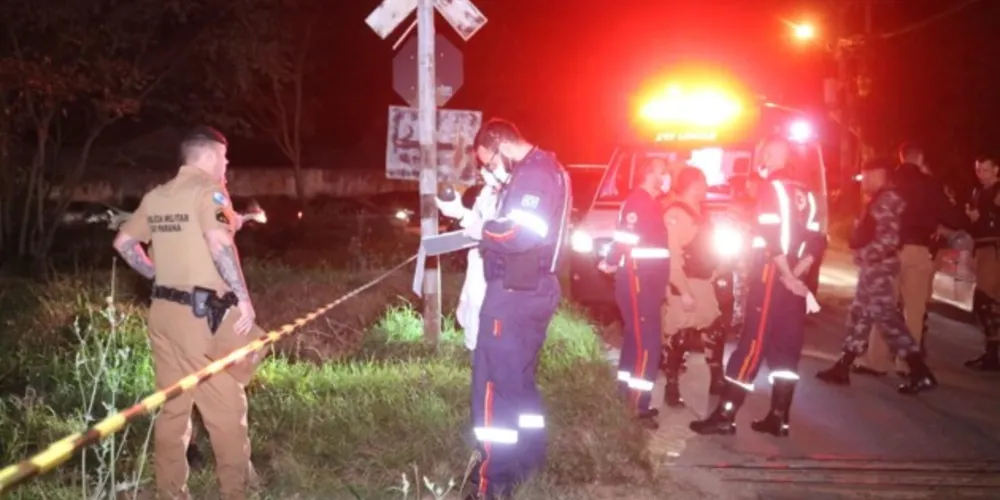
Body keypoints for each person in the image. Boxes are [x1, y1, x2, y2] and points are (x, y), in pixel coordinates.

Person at [112, 126, 264, 500]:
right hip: (203, 319)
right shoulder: (208, 191)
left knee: (174, 411)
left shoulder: (159, 195)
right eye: (225, 159)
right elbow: (217, 243)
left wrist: (157, 275)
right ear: (210, 155)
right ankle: (237, 492)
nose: (226, 166)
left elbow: (124, 242)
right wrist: (243, 298)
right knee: (227, 411)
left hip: (164, 314)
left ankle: (171, 492)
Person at [450, 119, 570, 500]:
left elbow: (521, 234)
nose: (488, 170)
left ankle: (492, 481)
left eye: (488, 162)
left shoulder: (534, 174)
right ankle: (526, 463)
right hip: (532, 290)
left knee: (493, 387)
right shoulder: (546, 168)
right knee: (519, 384)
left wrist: (476, 227)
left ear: (501, 145)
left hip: (514, 296)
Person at [689, 136, 825, 438]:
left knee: (753, 342)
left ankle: (725, 416)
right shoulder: (806, 192)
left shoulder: (771, 188)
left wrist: (787, 273)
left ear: (767, 156)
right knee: (786, 348)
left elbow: (769, 237)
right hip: (795, 282)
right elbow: (817, 239)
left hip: (772, 275)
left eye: (762, 153)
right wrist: (799, 273)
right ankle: (779, 417)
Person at [814, 158, 938, 392]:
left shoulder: (887, 200)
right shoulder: (882, 198)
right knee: (860, 315)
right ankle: (843, 366)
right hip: (876, 267)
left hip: (879, 267)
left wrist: (865, 255)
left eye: (867, 174)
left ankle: (920, 371)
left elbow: (889, 240)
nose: (864, 180)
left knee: (887, 320)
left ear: (880, 174)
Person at [854, 143, 963, 376]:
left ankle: (876, 360)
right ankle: (907, 364)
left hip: (890, 250)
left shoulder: (890, 183)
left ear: (901, 157)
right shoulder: (931, 185)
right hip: (919, 251)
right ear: (920, 159)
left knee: (885, 307)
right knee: (915, 310)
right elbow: (953, 218)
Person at [597, 157, 671, 429]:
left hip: (646, 284)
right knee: (646, 344)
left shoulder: (649, 203)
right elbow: (626, 239)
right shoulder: (639, 202)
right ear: (649, 174)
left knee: (634, 340)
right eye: (663, 172)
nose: (667, 178)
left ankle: (626, 396)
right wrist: (612, 261)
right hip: (639, 282)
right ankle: (636, 406)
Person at [660, 167, 726, 408]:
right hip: (684, 283)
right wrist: (683, 290)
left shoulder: (700, 212)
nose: (708, 186)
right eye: (705, 182)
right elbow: (672, 255)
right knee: (677, 336)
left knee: (715, 328)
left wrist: (716, 268)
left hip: (704, 281)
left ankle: (717, 378)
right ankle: (672, 386)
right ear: (695, 184)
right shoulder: (675, 214)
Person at [436, 169, 502, 351]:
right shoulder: (485, 193)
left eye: (490, 165)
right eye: (483, 166)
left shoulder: (514, 193)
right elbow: (475, 227)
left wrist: (461, 214)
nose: (484, 171)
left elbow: (495, 231)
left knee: (492, 337)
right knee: (474, 321)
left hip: (497, 273)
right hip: (478, 267)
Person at [964, 154, 1000, 370]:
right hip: (982, 248)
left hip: (993, 249)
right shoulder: (978, 191)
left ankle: (992, 353)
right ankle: (992, 352)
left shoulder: (996, 191)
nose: (981, 174)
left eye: (985, 170)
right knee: (989, 302)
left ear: (997, 169)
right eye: (978, 170)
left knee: (985, 300)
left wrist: (984, 214)